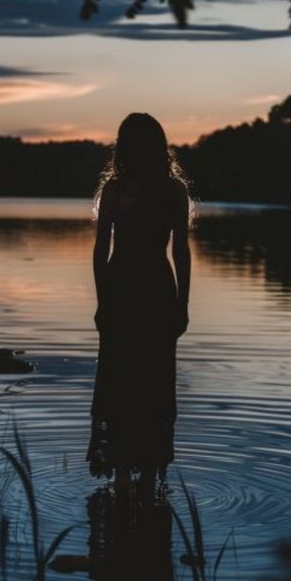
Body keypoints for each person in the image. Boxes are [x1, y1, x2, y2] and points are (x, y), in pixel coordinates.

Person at [86, 112, 192, 491]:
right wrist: (182, 304)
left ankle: (122, 476)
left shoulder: (116, 191)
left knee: (121, 380)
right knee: (152, 382)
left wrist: (102, 301)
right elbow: (180, 253)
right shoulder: (172, 191)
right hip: (156, 291)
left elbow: (102, 252)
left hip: (123, 290)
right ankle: (146, 475)